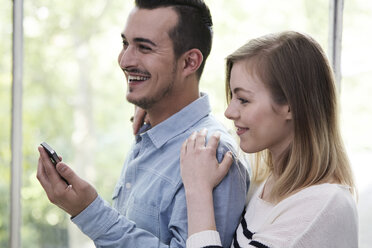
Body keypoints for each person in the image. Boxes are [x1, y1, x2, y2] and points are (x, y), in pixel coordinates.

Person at [36, 0, 250, 247]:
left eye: (144, 48)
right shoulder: (149, 128)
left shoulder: (212, 154)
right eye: (126, 43)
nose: (125, 60)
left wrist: (89, 210)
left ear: (189, 62)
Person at [180, 31, 358, 248]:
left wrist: (198, 191)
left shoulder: (323, 206)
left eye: (243, 100)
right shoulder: (269, 181)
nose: (229, 112)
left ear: (291, 106)